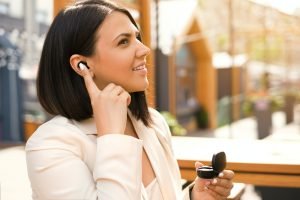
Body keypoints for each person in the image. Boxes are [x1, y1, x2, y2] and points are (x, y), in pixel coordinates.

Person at [25, 0, 234, 199]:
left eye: (137, 37)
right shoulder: (50, 146)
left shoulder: (153, 123)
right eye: (123, 42)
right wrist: (112, 138)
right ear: (83, 65)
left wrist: (194, 197)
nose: (144, 49)